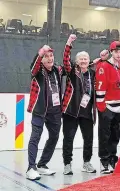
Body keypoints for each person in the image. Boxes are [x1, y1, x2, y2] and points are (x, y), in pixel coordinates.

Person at [61, 34, 97, 175]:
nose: (83, 61)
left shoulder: (93, 74)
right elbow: (65, 60)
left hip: (87, 113)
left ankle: (86, 162)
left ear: (89, 61)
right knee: (68, 139)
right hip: (71, 111)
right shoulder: (72, 71)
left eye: (85, 59)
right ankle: (67, 164)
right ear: (76, 61)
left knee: (88, 139)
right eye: (81, 59)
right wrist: (69, 43)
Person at [26, 45, 63, 180]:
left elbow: (70, 67)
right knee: (35, 137)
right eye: (46, 56)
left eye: (51, 56)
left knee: (54, 136)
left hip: (55, 111)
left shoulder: (57, 70)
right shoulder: (37, 71)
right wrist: (40, 52)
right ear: (42, 59)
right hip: (40, 111)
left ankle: (42, 164)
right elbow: (34, 67)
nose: (50, 58)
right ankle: (31, 168)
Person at [95, 41, 120, 174]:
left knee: (115, 135)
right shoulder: (104, 66)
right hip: (106, 106)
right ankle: (104, 161)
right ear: (111, 52)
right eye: (116, 51)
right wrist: (101, 106)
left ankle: (113, 158)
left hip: (118, 106)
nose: (118, 54)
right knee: (104, 135)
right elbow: (100, 86)